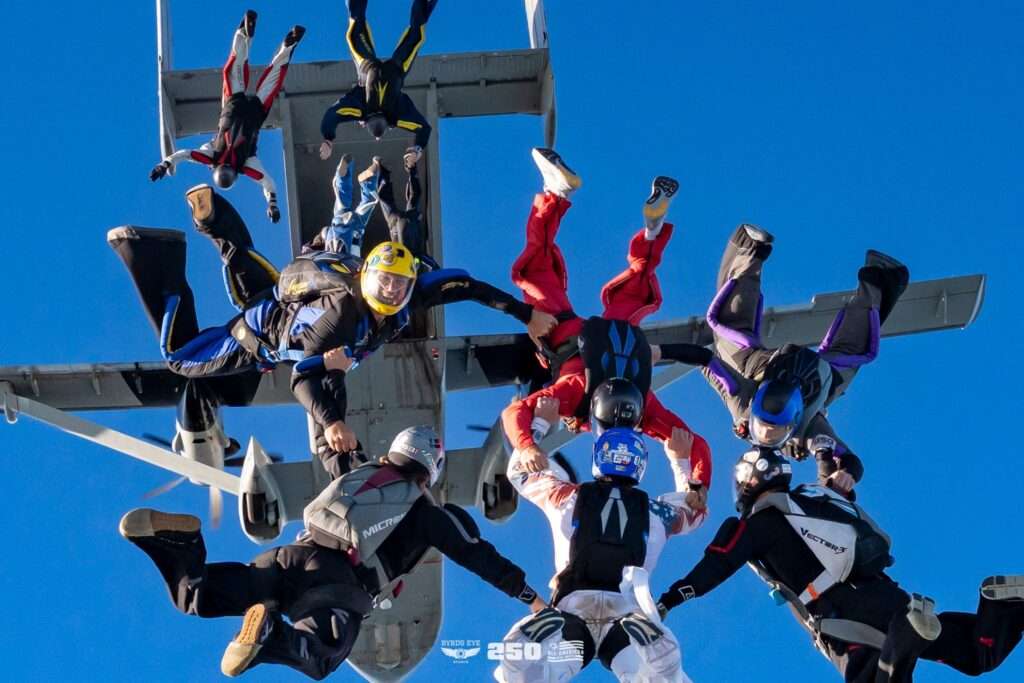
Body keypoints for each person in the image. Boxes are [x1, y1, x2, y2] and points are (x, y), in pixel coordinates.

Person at [108, 186, 556, 477]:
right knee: (181, 358)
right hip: (260, 339)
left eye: (399, 284)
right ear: (366, 278)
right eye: (384, 282)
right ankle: (150, 251)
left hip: (290, 308)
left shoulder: (411, 291)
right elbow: (303, 377)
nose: (391, 290)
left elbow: (467, 286)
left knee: (249, 274)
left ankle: (210, 219)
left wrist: (525, 315)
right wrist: (333, 421)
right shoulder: (342, 314)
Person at [119, 426, 547, 680]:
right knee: (319, 655)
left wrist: (331, 415)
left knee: (198, 596)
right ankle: (268, 631)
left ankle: (179, 544)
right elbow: (476, 554)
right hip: (337, 584)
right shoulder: (429, 513)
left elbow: (329, 446)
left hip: (288, 556)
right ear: (430, 470)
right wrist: (529, 596)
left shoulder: (359, 471)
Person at [656, 447, 1024, 682]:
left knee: (874, 678)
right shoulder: (817, 494)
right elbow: (849, 466)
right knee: (979, 654)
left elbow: (717, 563)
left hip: (841, 616)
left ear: (747, 483)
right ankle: (1003, 605)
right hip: (887, 594)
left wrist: (670, 600)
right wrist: (823, 450)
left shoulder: (753, 526)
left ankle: (909, 634)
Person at [500, 147, 712, 489]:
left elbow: (698, 445)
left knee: (637, 285)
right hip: (565, 335)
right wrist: (526, 445)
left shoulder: (645, 407)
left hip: (618, 331)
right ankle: (556, 193)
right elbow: (513, 414)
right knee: (535, 271)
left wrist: (700, 485)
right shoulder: (575, 392)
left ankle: (652, 232)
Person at [699, 224, 910, 495]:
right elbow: (850, 460)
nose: (768, 432)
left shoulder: (745, 409)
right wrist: (844, 475)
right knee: (847, 356)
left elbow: (715, 372)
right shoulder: (808, 430)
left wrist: (678, 354)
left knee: (728, 332)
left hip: (764, 368)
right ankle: (879, 280)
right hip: (814, 379)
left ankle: (749, 249)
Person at [493, 424, 708, 682]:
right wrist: (680, 459)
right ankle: (665, 667)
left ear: (598, 458)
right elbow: (693, 511)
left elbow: (518, 471)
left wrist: (537, 430)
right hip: (626, 612)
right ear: (639, 465)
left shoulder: (563, 496)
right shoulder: (658, 513)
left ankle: (517, 663)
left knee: (552, 670)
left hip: (572, 609)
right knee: (639, 672)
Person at [150, 11, 304, 223]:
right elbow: (185, 155)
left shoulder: (234, 161)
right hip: (239, 108)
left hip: (247, 111)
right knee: (236, 68)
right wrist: (164, 164)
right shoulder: (222, 158)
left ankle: (284, 43)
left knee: (267, 75)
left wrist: (273, 204)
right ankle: (248, 35)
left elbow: (268, 183)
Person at [319, 0, 438, 167]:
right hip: (375, 67)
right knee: (356, 26)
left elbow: (424, 129)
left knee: (416, 33)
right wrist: (328, 138)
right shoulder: (367, 110)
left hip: (390, 68)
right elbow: (331, 115)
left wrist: (418, 149)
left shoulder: (391, 114)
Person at [310, 154, 382, 257]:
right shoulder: (326, 238)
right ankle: (343, 177)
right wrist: (316, 243)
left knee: (370, 200)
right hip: (337, 222)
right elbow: (323, 232)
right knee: (342, 195)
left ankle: (368, 181)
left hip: (356, 230)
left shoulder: (345, 267)